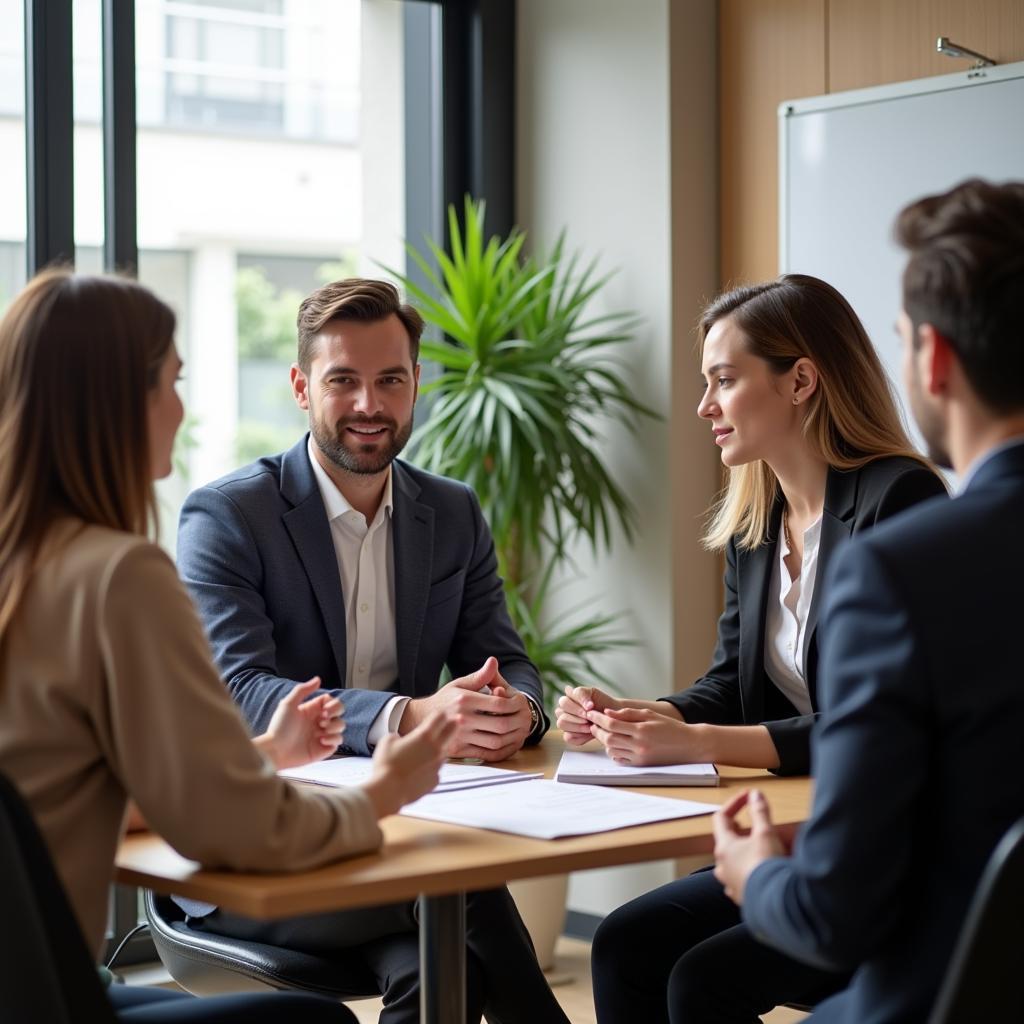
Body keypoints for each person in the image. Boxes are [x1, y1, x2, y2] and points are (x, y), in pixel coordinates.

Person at [0, 269, 456, 1022]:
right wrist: (386, 790)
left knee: (439, 944)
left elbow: (64, 785)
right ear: (115, 401)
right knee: (313, 1018)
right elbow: (227, 828)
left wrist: (262, 758)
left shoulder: (26, 566)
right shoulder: (118, 575)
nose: (181, 408)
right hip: (54, 997)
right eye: (171, 382)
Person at [176, 277, 569, 1024]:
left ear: (416, 382)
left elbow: (506, 657)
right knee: (460, 891)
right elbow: (243, 690)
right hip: (253, 852)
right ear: (300, 386)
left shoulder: (450, 512)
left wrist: (516, 709)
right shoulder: (229, 517)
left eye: (390, 379)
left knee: (448, 966)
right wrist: (410, 716)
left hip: (395, 838)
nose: (369, 404)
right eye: (342, 381)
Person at [575, 274, 947, 1022]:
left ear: (801, 380)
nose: (704, 406)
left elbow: (869, 727)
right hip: (801, 837)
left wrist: (695, 740)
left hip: (894, 859)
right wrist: (640, 716)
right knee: (622, 943)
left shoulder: (899, 500)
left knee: (701, 980)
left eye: (724, 381)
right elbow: (727, 688)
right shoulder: (756, 526)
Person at [714, 180, 1024, 1023]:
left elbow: (833, 918)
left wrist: (755, 873)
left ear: (935, 358)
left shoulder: (900, 569)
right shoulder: (770, 524)